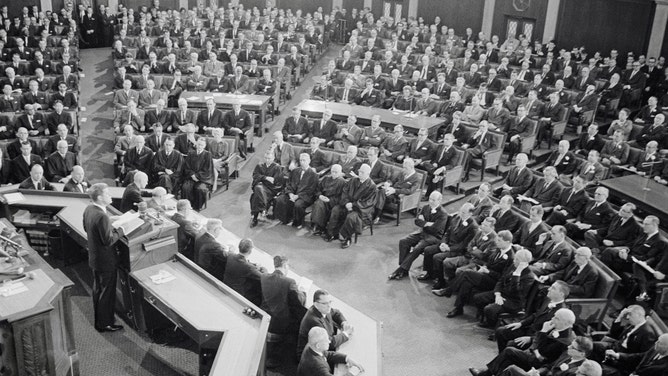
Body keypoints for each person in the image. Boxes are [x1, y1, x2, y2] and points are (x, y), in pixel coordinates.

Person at [469, 308, 577, 376]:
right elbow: (537, 343)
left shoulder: (566, 340)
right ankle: (489, 373)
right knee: (510, 350)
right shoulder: (558, 327)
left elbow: (544, 352)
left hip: (540, 362)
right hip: (535, 354)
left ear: (565, 322)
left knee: (509, 351)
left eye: (556, 318)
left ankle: (485, 374)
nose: (552, 319)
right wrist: (535, 346)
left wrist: (543, 332)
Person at [82, 183, 124, 332]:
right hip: (106, 261)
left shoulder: (89, 209)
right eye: (107, 194)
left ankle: (100, 321)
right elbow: (108, 241)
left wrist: (109, 222)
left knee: (98, 290)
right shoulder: (101, 215)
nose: (110, 196)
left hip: (94, 258)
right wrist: (120, 230)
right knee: (107, 293)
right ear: (100, 197)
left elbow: (87, 228)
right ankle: (106, 324)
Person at [494, 281, 571, 352]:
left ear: (561, 294)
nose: (549, 289)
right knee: (501, 331)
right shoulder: (547, 300)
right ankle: (502, 359)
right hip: (529, 329)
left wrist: (531, 339)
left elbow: (549, 334)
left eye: (553, 288)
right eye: (551, 286)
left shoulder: (561, 312)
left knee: (512, 344)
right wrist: (521, 323)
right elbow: (535, 315)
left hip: (536, 337)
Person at [388, 191, 448, 280]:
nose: (431, 201)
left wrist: (424, 223)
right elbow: (417, 221)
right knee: (403, 241)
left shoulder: (443, 213)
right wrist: (428, 223)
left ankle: (400, 270)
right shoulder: (425, 208)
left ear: (440, 200)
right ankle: (404, 269)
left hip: (433, 237)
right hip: (421, 232)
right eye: (430, 199)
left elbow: (435, 229)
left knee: (417, 248)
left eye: (433, 200)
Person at [261, 255, 307, 367]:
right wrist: (303, 292)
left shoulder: (264, 277)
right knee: (299, 321)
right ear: (285, 265)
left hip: (265, 316)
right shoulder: (289, 282)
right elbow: (298, 301)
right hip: (280, 322)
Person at [473, 248, 536, 327]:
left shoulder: (529, 276)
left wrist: (517, 274)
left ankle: (491, 324)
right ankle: (487, 319)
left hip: (512, 301)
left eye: (517, 259)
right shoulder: (513, 266)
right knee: (477, 298)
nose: (514, 260)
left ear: (524, 263)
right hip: (502, 294)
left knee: (489, 309)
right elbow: (501, 280)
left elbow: (515, 292)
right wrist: (497, 294)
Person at [592, 305, 657, 371]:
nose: (628, 317)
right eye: (627, 314)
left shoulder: (648, 333)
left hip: (625, 356)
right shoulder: (631, 324)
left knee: (600, 367)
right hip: (615, 346)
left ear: (639, 315)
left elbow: (642, 355)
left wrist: (619, 355)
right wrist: (620, 316)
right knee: (592, 346)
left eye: (630, 315)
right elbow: (614, 333)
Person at [297, 289, 354, 359]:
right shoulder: (314, 320)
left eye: (330, 302)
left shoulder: (322, 309)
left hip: (323, 349)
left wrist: (343, 323)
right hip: (311, 357)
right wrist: (346, 333)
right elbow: (330, 343)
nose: (329, 305)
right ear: (316, 304)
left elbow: (336, 313)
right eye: (325, 303)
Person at [331, 164, 377, 248]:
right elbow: (345, 192)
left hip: (360, 209)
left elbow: (367, 203)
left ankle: (347, 238)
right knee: (336, 209)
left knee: (351, 217)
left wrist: (353, 205)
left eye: (362, 173)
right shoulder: (353, 180)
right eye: (359, 171)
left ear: (368, 174)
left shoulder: (372, 186)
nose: (359, 174)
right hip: (348, 204)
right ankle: (333, 233)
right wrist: (346, 203)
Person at [498, 337, 594, 376]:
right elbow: (549, 366)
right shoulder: (567, 355)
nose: (568, 346)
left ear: (582, 354)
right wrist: (537, 372)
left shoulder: (580, 369)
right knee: (511, 366)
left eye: (573, 347)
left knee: (512, 369)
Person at [274, 153, 319, 228]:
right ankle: (285, 219)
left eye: (304, 160)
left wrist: (298, 196)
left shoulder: (313, 174)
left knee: (298, 205)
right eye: (301, 160)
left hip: (305, 196)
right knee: (280, 199)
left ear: (309, 161)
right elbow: (289, 183)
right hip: (292, 193)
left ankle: (298, 222)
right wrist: (290, 194)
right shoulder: (295, 171)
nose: (302, 162)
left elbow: (311, 190)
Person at [297, 327, 364, 376]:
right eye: (326, 341)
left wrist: (347, 359)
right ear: (318, 345)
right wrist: (352, 374)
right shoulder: (317, 366)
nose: (329, 342)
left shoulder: (311, 345)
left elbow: (328, 354)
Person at [223, 239, 265, 306]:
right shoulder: (249, 267)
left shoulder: (230, 256)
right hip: (236, 295)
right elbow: (263, 278)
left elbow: (240, 261)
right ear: (250, 251)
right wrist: (264, 270)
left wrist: (252, 265)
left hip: (224, 286)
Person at [603, 333, 668, 376]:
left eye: (660, 343)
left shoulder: (665, 368)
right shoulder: (655, 348)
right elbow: (640, 356)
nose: (655, 343)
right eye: (657, 340)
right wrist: (618, 355)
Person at [250, 150, 284, 227]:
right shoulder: (259, 166)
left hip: (271, 190)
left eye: (269, 158)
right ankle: (263, 209)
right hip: (261, 187)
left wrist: (262, 179)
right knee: (258, 188)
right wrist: (266, 178)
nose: (267, 160)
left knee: (256, 193)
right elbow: (255, 176)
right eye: (266, 158)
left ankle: (255, 218)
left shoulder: (277, 167)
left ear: (273, 158)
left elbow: (276, 181)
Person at [311, 164, 347, 236]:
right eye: (332, 171)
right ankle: (318, 226)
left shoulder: (342, 182)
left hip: (333, 202)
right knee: (318, 203)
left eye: (336, 172)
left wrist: (329, 200)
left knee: (320, 204)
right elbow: (318, 189)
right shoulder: (326, 178)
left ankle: (320, 227)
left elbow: (342, 197)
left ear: (340, 173)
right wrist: (320, 195)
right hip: (323, 198)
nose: (333, 174)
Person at [181, 138, 214, 211]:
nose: (199, 146)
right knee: (185, 188)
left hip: (203, 179)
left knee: (200, 189)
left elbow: (208, 169)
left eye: (202, 145)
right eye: (198, 144)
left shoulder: (207, 154)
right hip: (190, 177)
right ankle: (187, 206)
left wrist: (197, 176)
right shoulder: (191, 153)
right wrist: (192, 175)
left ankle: (197, 207)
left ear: (204, 146)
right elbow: (186, 167)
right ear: (196, 144)